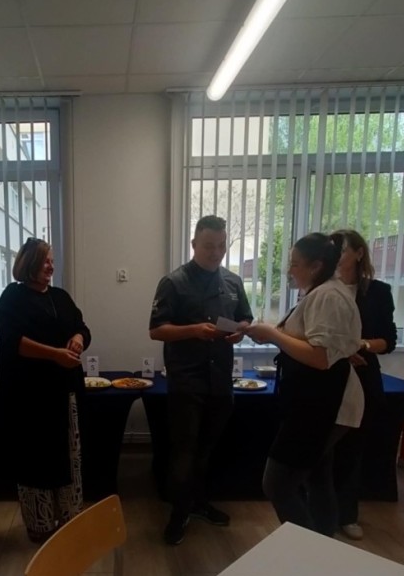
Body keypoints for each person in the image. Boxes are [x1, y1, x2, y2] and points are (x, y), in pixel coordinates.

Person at [246, 233, 364, 536]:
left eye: (295, 264)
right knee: (317, 477)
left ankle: (306, 549)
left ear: (316, 266)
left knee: (278, 483)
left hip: (324, 405)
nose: (289, 271)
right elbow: (314, 342)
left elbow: (320, 357)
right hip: (316, 400)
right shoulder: (321, 293)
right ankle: (322, 546)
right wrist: (269, 333)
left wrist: (273, 334)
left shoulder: (328, 296)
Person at [149, 215, 253, 546]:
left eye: (221, 246)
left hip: (221, 380)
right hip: (187, 381)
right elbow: (156, 330)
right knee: (184, 453)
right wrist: (194, 330)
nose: (216, 252)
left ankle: (199, 502)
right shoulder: (173, 282)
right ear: (194, 244)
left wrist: (240, 331)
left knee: (207, 451)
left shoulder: (233, 281)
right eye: (209, 246)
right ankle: (178, 513)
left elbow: (245, 318)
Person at [0, 238, 90, 543]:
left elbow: (82, 327)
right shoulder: (12, 297)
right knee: (35, 459)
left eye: (51, 260)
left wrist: (78, 338)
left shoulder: (60, 296)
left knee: (68, 456)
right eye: (45, 260)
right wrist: (55, 355)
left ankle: (70, 517)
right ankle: (41, 523)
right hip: (29, 397)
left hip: (64, 391)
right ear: (29, 263)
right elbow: (12, 342)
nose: (50, 266)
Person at [330, 229, 397, 540]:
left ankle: (347, 514)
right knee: (324, 449)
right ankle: (321, 511)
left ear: (359, 253)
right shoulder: (323, 289)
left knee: (352, 450)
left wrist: (361, 345)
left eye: (343, 250)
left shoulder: (378, 292)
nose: (337, 256)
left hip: (362, 376)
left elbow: (388, 341)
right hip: (327, 377)